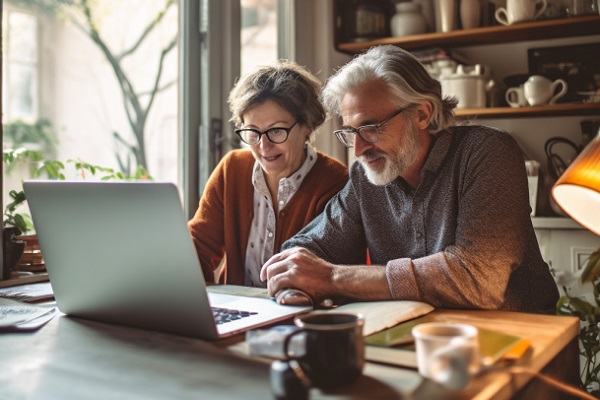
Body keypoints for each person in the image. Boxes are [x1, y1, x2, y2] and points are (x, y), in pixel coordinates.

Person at [260, 45, 559, 314]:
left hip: (522, 341)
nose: (360, 149)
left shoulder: (486, 152)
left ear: (422, 114)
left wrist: (330, 278)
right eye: (351, 132)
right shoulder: (367, 176)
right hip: (422, 337)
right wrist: (295, 283)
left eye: (371, 127)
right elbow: (308, 248)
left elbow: (477, 277)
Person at [188, 60, 348, 291]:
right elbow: (197, 247)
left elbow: (327, 275)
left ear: (307, 126)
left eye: (276, 130)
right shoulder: (231, 169)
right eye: (252, 132)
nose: (264, 146)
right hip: (238, 312)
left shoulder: (335, 182)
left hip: (298, 316)